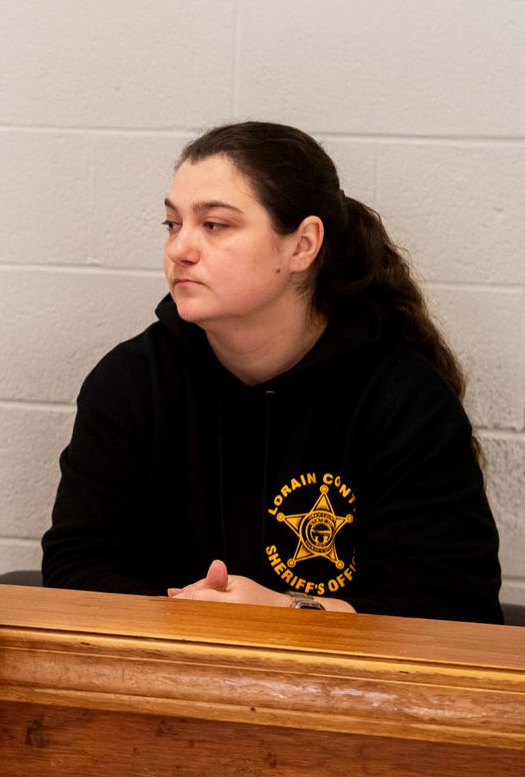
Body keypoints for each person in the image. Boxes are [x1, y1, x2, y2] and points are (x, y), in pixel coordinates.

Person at [41, 121, 501, 623]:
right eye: (173, 224)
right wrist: (195, 622)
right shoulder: (129, 384)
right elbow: (77, 571)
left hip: (348, 693)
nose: (180, 249)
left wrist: (287, 612)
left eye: (214, 225)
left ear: (302, 245)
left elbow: (454, 606)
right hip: (170, 681)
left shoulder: (403, 399)